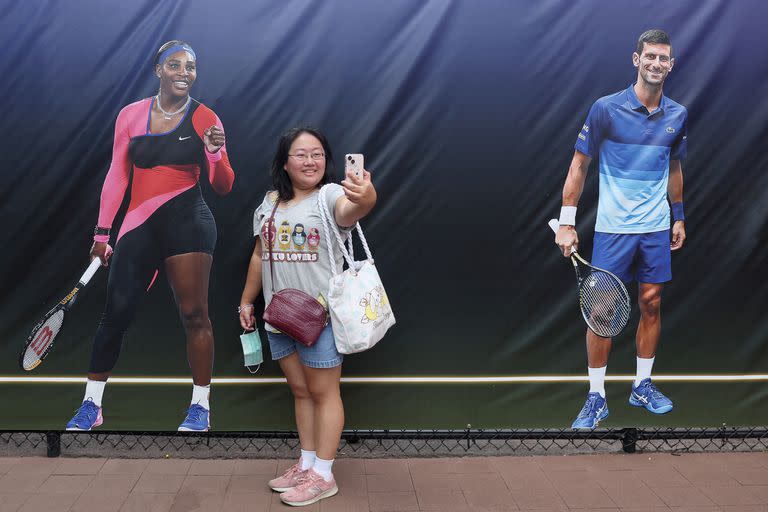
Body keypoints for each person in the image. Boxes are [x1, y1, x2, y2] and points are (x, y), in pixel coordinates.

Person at [65, 40, 235, 432]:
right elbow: (118, 175)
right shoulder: (130, 115)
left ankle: (201, 408)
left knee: (195, 315)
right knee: (114, 316)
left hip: (189, 223)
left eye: (190, 67)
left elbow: (224, 185)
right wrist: (103, 233)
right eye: (174, 65)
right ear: (158, 70)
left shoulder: (206, 117)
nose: (183, 72)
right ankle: (92, 405)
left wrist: (213, 153)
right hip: (138, 226)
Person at [555, 29, 688, 429]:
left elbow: (674, 167)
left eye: (663, 58)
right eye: (650, 56)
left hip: (655, 228)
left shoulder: (678, 114)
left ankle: (641, 386)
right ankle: (596, 397)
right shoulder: (605, 109)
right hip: (613, 229)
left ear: (671, 64)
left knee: (651, 303)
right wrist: (566, 222)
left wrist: (678, 215)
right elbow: (579, 165)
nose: (656, 64)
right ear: (636, 60)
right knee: (602, 312)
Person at [239, 126, 376, 507]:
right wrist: (247, 301)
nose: (310, 161)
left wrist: (364, 194)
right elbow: (258, 256)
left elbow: (356, 207)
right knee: (301, 391)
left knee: (323, 392)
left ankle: (324, 475)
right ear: (285, 162)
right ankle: (307, 462)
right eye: (301, 154)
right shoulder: (269, 204)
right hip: (279, 317)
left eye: (316, 153)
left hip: (321, 318)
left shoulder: (330, 196)